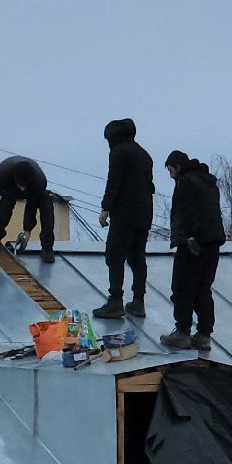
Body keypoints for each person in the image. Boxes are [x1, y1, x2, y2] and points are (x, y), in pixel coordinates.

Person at [161, 150, 226, 351]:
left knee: (182, 287)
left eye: (171, 170)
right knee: (203, 289)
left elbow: (187, 210)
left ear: (178, 167)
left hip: (193, 244)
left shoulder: (186, 182)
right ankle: (204, 334)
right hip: (213, 243)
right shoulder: (208, 183)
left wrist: (188, 236)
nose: (171, 175)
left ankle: (182, 332)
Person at [93, 118, 154, 320]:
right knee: (138, 258)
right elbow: (149, 186)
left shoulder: (119, 152)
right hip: (144, 214)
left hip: (124, 214)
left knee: (114, 255)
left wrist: (106, 208)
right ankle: (138, 301)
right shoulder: (144, 154)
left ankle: (115, 300)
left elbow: (114, 181)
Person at [0, 155, 57, 264]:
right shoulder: (0, 174)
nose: (23, 189)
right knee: (6, 205)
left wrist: (27, 230)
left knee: (46, 204)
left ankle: (47, 248)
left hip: (34, 191)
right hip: (9, 189)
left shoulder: (39, 181)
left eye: (25, 186)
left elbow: (31, 206)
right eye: (21, 185)